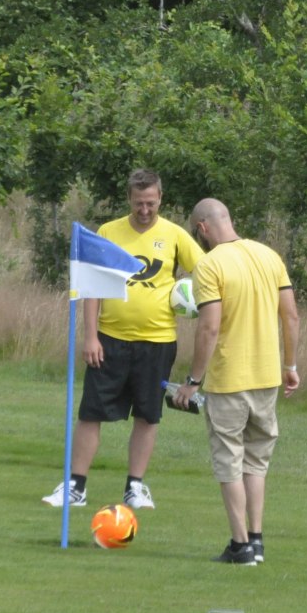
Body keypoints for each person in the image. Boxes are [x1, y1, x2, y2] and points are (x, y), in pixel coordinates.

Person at [42, 169, 205, 511]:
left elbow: (206, 271)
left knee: (148, 416)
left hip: (158, 342)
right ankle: (76, 486)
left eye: (150, 203)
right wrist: (90, 337)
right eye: (138, 203)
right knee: (91, 413)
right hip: (109, 340)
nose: (144, 210)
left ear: (160, 198)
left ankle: (135, 487)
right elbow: (91, 288)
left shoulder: (174, 235)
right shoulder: (108, 232)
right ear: (128, 200)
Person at [173, 199, 300, 566]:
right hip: (266, 376)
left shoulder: (209, 265)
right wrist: (290, 364)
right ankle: (257, 540)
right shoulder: (269, 256)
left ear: (202, 228)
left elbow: (210, 327)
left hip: (229, 379)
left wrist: (193, 380)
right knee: (257, 461)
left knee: (228, 460)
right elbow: (290, 316)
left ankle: (240, 545)